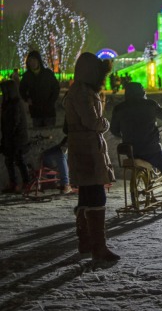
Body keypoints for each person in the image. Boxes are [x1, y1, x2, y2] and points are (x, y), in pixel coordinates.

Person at [63, 52, 120, 262]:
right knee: (96, 195)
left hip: (84, 148)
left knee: (87, 195)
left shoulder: (80, 90)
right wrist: (104, 123)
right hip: (87, 150)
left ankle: (86, 242)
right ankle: (98, 247)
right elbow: (92, 121)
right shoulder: (82, 92)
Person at [110, 82, 162, 212]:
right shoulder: (149, 105)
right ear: (142, 92)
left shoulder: (119, 108)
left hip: (131, 151)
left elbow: (114, 130)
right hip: (151, 150)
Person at [0, 80, 30, 194]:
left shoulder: (16, 103)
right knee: (10, 161)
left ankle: (26, 182)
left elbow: (14, 122)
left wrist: (9, 136)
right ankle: (14, 183)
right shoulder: (8, 103)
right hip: (10, 138)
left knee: (19, 160)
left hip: (17, 139)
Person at [19, 50, 60, 128]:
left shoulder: (47, 73)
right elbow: (21, 90)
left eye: (34, 60)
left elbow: (56, 88)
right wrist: (27, 98)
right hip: (35, 112)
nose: (32, 62)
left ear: (38, 60)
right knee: (38, 135)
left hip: (49, 111)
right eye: (30, 60)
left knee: (49, 134)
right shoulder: (27, 76)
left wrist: (51, 101)